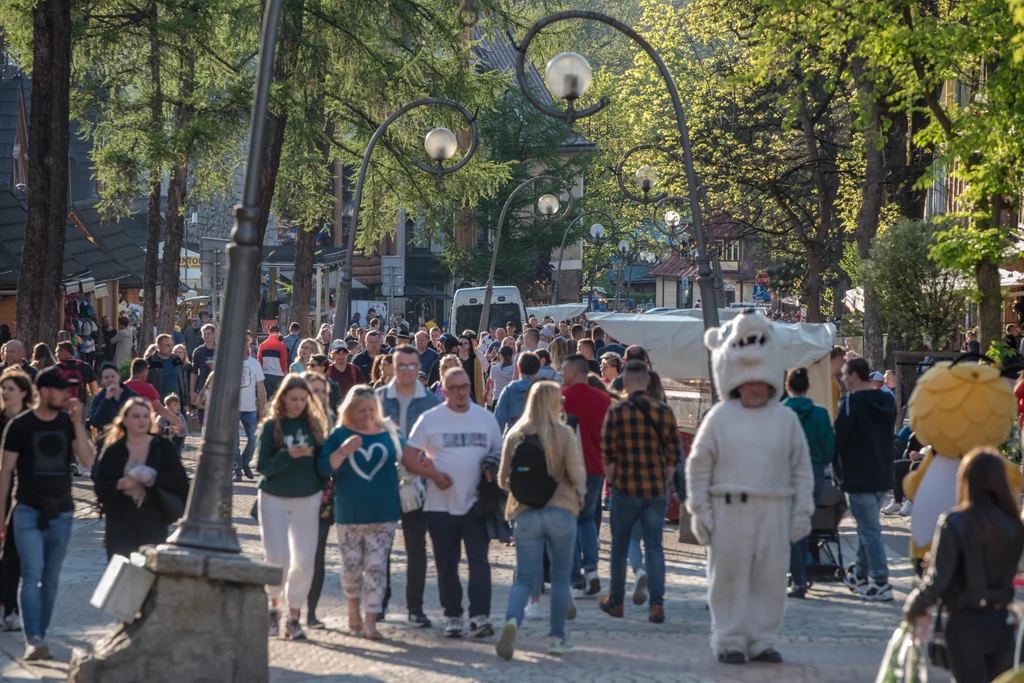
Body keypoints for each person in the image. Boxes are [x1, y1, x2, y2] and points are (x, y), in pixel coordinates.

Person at [686, 313, 814, 664]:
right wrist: (699, 510)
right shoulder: (719, 417)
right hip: (728, 508)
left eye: (761, 381)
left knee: (770, 578)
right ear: (737, 380)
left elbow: (801, 469)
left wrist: (802, 511)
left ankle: (762, 639)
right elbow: (699, 466)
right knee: (727, 578)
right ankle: (728, 638)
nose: (755, 388)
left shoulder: (785, 419)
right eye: (749, 381)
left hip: (774, 508)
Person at [904, 448, 1024, 683]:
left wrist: (914, 606)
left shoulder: (955, 522)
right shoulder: (1014, 525)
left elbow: (939, 579)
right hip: (1003, 622)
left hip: (965, 621)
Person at [0, 367, 94, 660]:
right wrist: (1, 516)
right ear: (45, 391)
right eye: (63, 389)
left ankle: (41, 631)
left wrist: (78, 424)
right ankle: (35, 638)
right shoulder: (20, 426)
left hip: (63, 512)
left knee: (51, 578)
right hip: (27, 510)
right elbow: (5, 473)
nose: (68, 394)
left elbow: (88, 460)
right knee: (31, 574)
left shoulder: (68, 422)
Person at [401, 368, 503, 638]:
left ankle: (480, 616)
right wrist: (432, 474)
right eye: (454, 388)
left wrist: (493, 470)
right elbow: (409, 456)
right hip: (439, 504)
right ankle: (453, 615)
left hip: (476, 504)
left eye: (465, 386)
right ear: (444, 391)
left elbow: (499, 453)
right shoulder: (430, 419)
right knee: (446, 564)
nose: (460, 392)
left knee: (479, 561)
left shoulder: (485, 419)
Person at [496, 381, 585, 659]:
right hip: (561, 511)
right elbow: (578, 475)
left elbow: (502, 479)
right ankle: (557, 638)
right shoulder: (564, 433)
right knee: (560, 579)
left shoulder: (516, 434)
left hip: (525, 513)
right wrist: (578, 494)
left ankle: (512, 621)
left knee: (524, 578)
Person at [600, 361, 681, 625]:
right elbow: (674, 454)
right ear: (647, 382)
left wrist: (612, 482)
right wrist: (666, 482)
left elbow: (608, 453)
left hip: (625, 488)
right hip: (656, 489)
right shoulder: (664, 411)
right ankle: (656, 604)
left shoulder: (617, 412)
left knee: (620, 547)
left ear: (624, 383)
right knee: (655, 547)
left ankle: (617, 602)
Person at [318, 386, 401, 640]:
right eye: (361, 411)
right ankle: (353, 610)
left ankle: (370, 622)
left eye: (371, 410)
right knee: (352, 567)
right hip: (349, 514)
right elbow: (323, 467)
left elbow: (407, 455)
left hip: (384, 514)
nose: (367, 415)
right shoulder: (339, 433)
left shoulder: (388, 432)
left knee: (377, 568)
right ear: (350, 411)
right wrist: (343, 450)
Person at [254, 374, 328, 641]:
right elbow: (262, 467)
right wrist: (287, 455)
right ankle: (274, 609)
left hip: (307, 496)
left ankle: (294, 617)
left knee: (304, 558)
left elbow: (323, 464)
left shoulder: (315, 425)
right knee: (277, 556)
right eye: (292, 399)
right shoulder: (272, 425)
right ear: (283, 397)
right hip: (274, 496)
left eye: (302, 399)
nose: (297, 404)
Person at [375, 345, 441, 627]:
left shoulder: (429, 402)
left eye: (412, 366)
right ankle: (379, 602)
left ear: (419, 368)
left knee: (416, 547)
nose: (406, 371)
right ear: (391, 366)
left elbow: (438, 442)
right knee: (381, 548)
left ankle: (415, 607)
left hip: (418, 483)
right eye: (400, 365)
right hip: (383, 483)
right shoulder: (376, 399)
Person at [93, 398, 190, 560]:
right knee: (121, 574)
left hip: (153, 518)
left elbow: (180, 483)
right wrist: (120, 484)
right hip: (119, 520)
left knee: (148, 575)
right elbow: (100, 487)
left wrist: (153, 478)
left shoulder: (162, 447)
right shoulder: (113, 450)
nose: (142, 420)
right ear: (125, 420)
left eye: (146, 416)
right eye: (136, 416)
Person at [834, 357, 898, 601]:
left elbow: (838, 440)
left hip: (857, 475)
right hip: (883, 472)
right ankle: (860, 574)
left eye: (844, 375)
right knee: (867, 526)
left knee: (870, 528)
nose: (842, 379)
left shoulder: (849, 403)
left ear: (853, 376)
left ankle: (881, 580)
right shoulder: (886, 400)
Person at [561, 355, 612, 598]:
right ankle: (591, 568)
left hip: (568, 470)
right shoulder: (603, 398)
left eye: (563, 369)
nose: (561, 373)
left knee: (569, 523)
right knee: (587, 520)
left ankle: (576, 580)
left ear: (573, 371)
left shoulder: (562, 398)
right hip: (595, 467)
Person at [782, 368, 835, 599]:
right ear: (808, 387)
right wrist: (822, 462)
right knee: (803, 527)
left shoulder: (780, 413)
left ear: (787, 387)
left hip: (784, 474)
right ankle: (800, 579)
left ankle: (788, 575)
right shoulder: (821, 414)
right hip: (813, 473)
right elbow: (829, 447)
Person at [300, 372, 334, 630]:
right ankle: (286, 609)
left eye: (323, 392)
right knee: (292, 555)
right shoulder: (288, 420)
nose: (319, 397)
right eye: (314, 391)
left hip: (322, 495)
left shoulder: (331, 421)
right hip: (292, 494)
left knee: (317, 554)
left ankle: (311, 613)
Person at [0, 369, 33, 633]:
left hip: (21, 494)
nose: (4, 392)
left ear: (23, 392)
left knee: (12, 555)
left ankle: (10, 608)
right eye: (3, 388)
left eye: (10, 388)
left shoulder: (31, 422)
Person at [235, 341, 268, 482]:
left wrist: (263, 408)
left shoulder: (254, 363)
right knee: (234, 442)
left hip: (250, 409)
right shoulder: (230, 363)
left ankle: (245, 462)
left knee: (253, 439)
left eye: (245, 344)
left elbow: (260, 387)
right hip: (233, 409)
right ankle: (237, 470)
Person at [88, 362, 138, 441]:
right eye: (106, 377)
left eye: (112, 376)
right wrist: (106, 400)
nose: (110, 379)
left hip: (128, 442)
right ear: (101, 381)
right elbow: (95, 421)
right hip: (106, 442)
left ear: (118, 376)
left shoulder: (132, 395)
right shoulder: (98, 399)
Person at [494, 352, 541, 433]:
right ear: (538, 370)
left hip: (514, 436)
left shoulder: (509, 390)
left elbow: (499, 419)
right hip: (538, 438)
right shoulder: (543, 389)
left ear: (519, 368)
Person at [190, 323, 216, 424]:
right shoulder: (198, 351)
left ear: (213, 334)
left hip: (218, 388)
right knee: (203, 418)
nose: (206, 336)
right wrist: (192, 391)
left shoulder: (220, 350)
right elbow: (194, 372)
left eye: (208, 333)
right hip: (203, 387)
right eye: (204, 334)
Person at [145, 334, 183, 402]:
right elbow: (146, 384)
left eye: (172, 345)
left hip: (176, 404)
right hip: (158, 404)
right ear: (158, 346)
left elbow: (183, 382)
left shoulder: (176, 359)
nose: (171, 348)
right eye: (167, 345)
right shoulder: (150, 362)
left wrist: (185, 403)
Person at [258, 325, 289, 399]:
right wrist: (285, 373)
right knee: (277, 398)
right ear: (279, 333)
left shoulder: (262, 345)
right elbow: (283, 361)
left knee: (267, 398)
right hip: (278, 375)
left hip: (265, 374)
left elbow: (259, 360)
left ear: (269, 332)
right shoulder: (281, 346)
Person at [456, 333, 488, 405]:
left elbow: (479, 378)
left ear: (469, 345)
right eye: (460, 343)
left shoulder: (475, 360)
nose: (463, 345)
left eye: (465, 343)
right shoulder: (454, 359)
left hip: (472, 394)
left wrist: (479, 398)